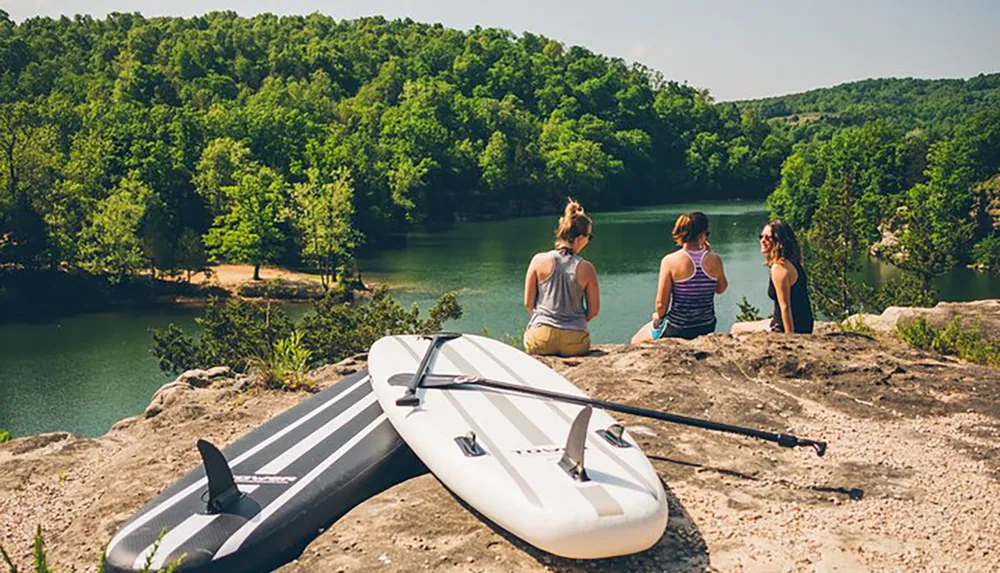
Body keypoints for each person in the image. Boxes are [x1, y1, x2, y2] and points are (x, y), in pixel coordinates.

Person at [631, 212, 728, 344]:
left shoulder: (670, 261)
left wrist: (657, 317)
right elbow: (721, 289)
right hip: (706, 326)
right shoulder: (715, 259)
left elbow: (661, 305)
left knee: (636, 340)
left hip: (679, 328)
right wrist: (710, 254)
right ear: (702, 234)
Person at [523, 199, 600, 357]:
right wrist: (574, 322)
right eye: (589, 237)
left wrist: (544, 321)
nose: (588, 241)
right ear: (579, 238)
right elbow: (593, 310)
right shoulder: (587, 268)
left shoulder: (538, 260)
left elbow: (528, 303)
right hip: (575, 341)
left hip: (541, 338)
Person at [730, 219, 814, 334]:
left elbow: (786, 307)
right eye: (761, 237)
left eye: (768, 238)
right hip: (804, 324)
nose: (762, 241)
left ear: (779, 242)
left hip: (785, 327)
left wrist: (791, 338)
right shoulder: (793, 263)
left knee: (736, 328)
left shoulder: (779, 268)